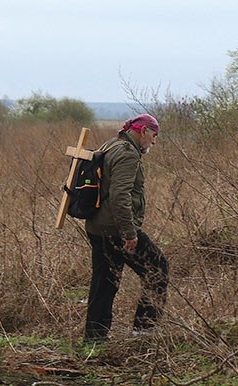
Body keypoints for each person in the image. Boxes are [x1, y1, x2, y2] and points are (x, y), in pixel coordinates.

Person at [83, 113, 169, 342]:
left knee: (104, 283)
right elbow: (120, 197)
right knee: (158, 269)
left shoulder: (111, 144)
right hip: (115, 229)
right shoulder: (128, 155)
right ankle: (145, 331)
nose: (154, 141)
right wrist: (129, 234)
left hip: (96, 227)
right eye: (154, 135)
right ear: (143, 131)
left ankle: (94, 339)